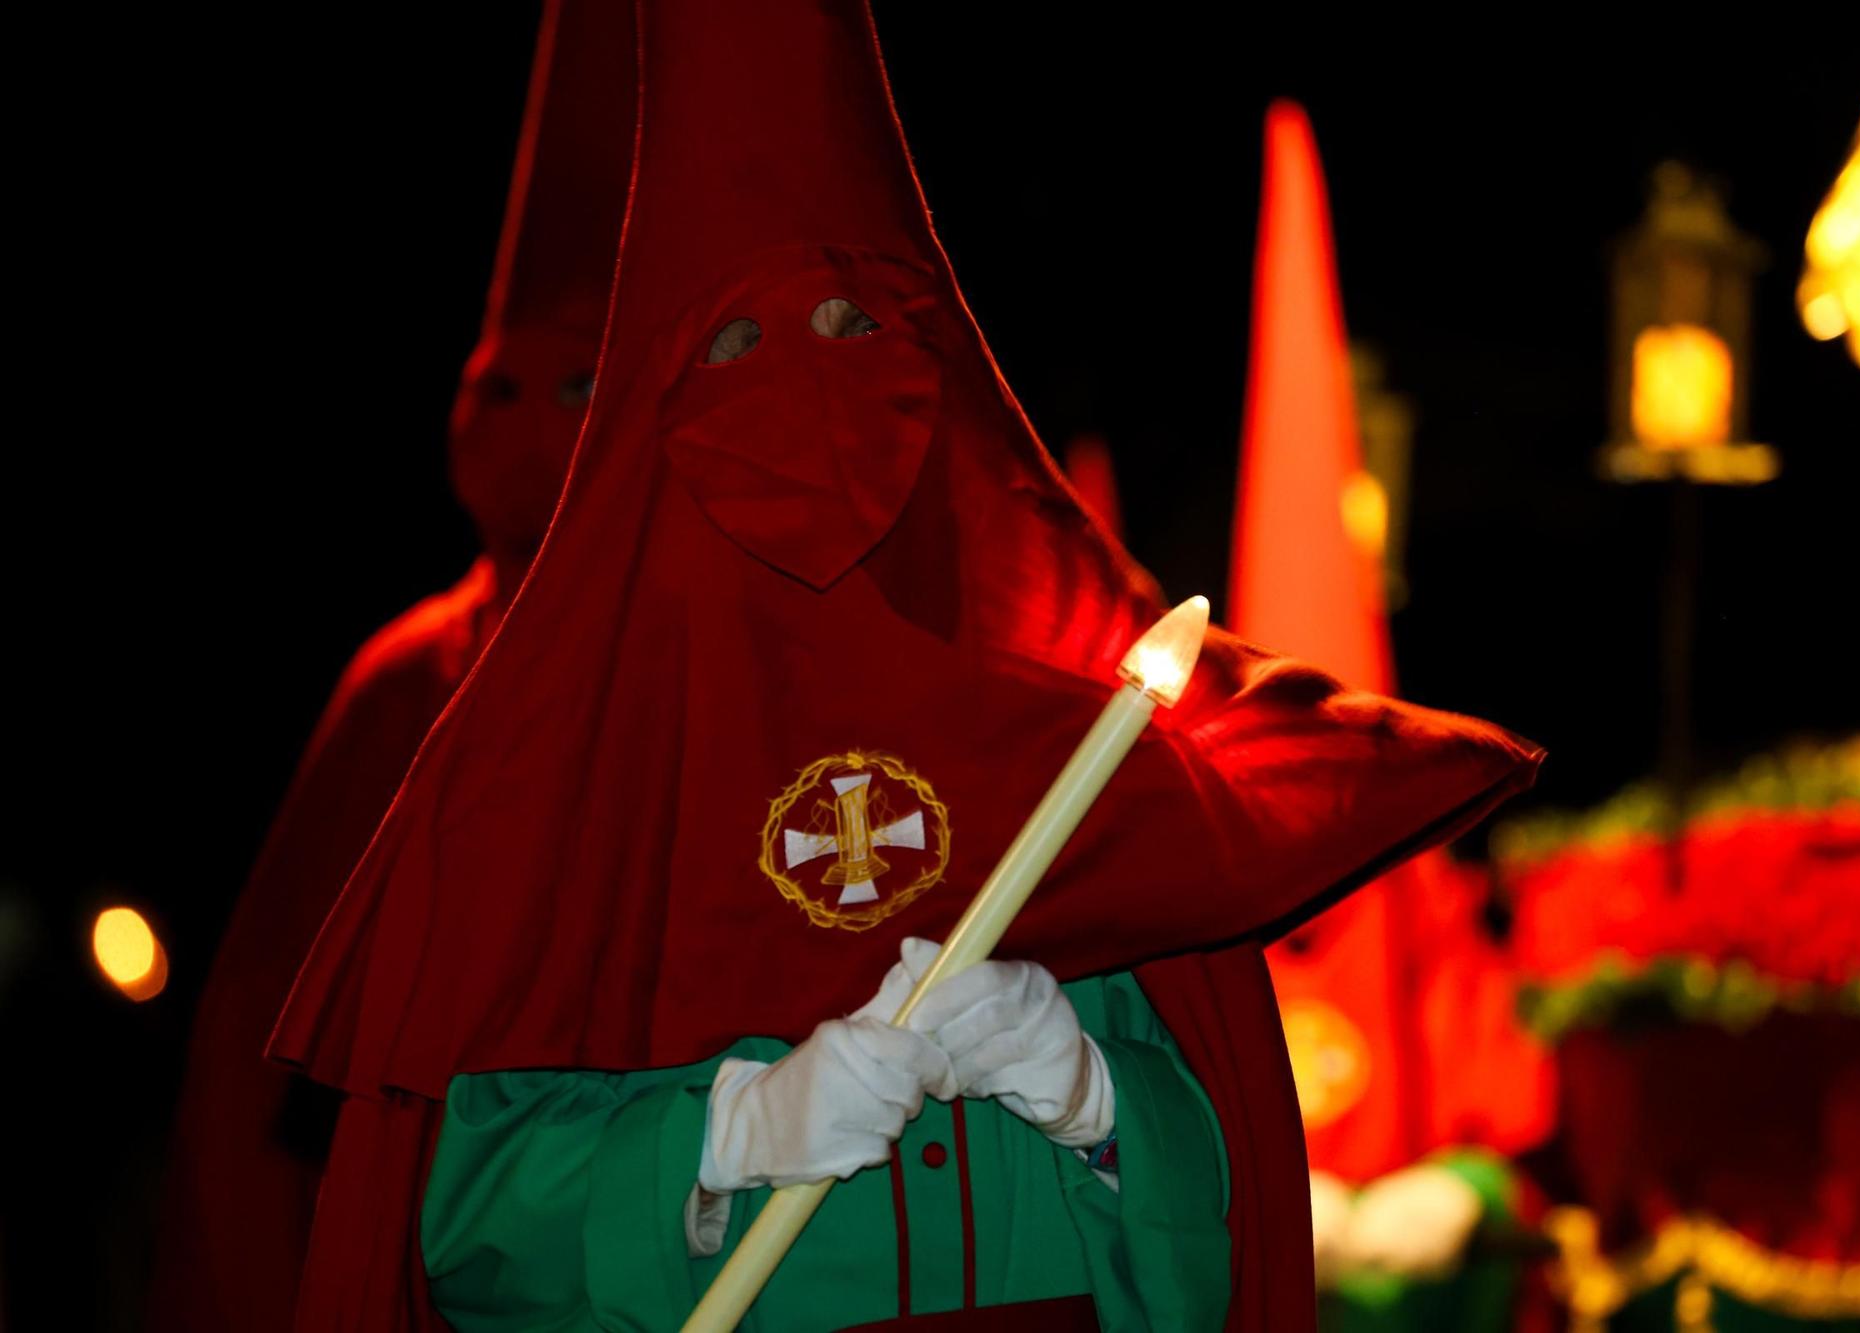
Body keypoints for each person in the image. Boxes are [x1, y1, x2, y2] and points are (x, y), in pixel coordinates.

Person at [270, 3, 1542, 1329]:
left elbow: (1214, 1232)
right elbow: (464, 1229)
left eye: (849, 321)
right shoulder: (567, 774)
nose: (810, 398)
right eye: (738, 343)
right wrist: (718, 1138)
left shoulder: (1061, 737)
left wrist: (1099, 1102)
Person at [144, 3, 633, 1327]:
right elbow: (261, 1041)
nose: (534, 429)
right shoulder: (413, 674)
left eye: (581, 388)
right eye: (502, 387)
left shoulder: (677, 658)